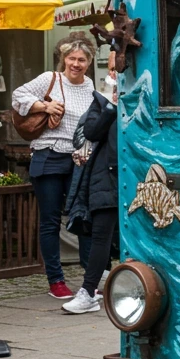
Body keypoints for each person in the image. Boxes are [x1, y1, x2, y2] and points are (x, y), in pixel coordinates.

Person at [12, 34, 96, 298]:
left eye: (82, 60)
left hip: (78, 160)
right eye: (72, 58)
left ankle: (89, 280)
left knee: (81, 217)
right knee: (50, 221)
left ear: (89, 62)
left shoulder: (90, 85)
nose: (76, 64)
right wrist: (45, 105)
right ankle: (56, 281)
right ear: (64, 59)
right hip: (48, 156)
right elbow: (17, 96)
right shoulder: (50, 78)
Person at [62, 71, 118, 315]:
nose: (115, 74)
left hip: (135, 173)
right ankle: (88, 292)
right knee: (100, 235)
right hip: (105, 175)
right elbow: (92, 133)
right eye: (112, 71)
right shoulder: (100, 101)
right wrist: (110, 104)